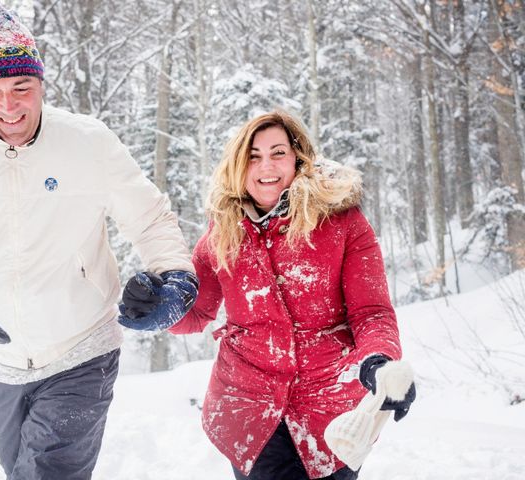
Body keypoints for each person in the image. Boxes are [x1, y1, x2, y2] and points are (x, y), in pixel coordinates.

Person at [0, 2, 197, 479]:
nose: (8, 106)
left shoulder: (88, 142)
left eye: (21, 88)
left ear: (41, 85)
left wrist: (174, 279)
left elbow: (151, 218)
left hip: (82, 350)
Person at [121, 111, 416, 479]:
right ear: (239, 165)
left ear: (298, 157)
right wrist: (156, 311)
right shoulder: (223, 230)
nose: (266, 166)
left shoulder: (342, 222)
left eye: (278, 153)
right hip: (249, 408)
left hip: (330, 413)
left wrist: (380, 361)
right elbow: (196, 312)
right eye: (254, 156)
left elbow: (371, 312)